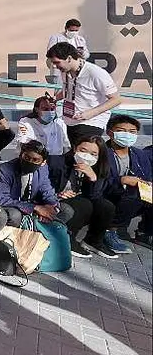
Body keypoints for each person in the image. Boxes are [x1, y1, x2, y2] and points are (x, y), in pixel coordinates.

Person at [50, 135, 118, 258]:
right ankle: (68, 238)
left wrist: (92, 178)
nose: (87, 156)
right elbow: (41, 186)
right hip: (57, 201)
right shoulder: (57, 162)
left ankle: (93, 241)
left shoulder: (98, 168)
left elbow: (95, 196)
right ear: (75, 148)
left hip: (78, 202)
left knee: (106, 206)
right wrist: (56, 194)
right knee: (84, 204)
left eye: (93, 153)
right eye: (83, 150)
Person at [47, 41, 122, 144]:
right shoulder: (65, 71)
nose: (55, 66)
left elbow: (116, 99)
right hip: (71, 120)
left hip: (91, 122)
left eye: (57, 62)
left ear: (69, 58)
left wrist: (91, 113)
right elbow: (68, 89)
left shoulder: (95, 73)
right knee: (76, 156)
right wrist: (55, 98)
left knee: (84, 155)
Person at [0, 140, 72, 233]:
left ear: (43, 162)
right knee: (14, 215)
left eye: (35, 160)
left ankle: (44, 236)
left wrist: (51, 205)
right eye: (26, 157)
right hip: (13, 206)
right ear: (21, 155)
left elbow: (47, 190)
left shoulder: (43, 168)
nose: (30, 161)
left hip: (32, 202)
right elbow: (2, 199)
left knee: (66, 210)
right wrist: (35, 208)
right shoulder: (5, 170)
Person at [103, 115, 151, 253]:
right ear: (110, 132)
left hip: (130, 198)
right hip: (107, 195)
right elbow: (95, 182)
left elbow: (146, 177)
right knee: (133, 194)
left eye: (132, 132)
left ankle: (145, 233)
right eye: (122, 130)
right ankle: (110, 230)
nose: (127, 135)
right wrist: (121, 180)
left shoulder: (139, 154)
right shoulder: (101, 153)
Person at [16, 95, 70, 187]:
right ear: (37, 109)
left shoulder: (60, 124)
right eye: (45, 109)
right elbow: (23, 143)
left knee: (59, 162)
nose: (49, 112)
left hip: (54, 160)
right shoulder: (25, 122)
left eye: (52, 109)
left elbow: (66, 147)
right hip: (34, 157)